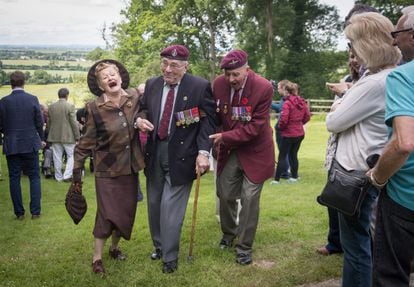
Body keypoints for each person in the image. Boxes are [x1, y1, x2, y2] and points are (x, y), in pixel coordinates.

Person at [325, 12, 401, 287]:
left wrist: (341, 100)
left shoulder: (371, 83)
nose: (352, 50)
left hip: (356, 174)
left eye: (352, 43)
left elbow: (333, 122)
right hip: (375, 168)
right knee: (368, 239)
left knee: (356, 248)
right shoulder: (394, 76)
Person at [135, 44, 217, 273]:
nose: (167, 69)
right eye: (164, 63)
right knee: (154, 204)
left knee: (171, 208)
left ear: (185, 66)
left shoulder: (199, 86)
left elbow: (208, 121)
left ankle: (170, 257)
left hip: (183, 156)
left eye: (173, 65)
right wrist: (139, 121)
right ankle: (159, 246)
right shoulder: (152, 84)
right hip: (155, 153)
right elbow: (142, 110)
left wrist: (203, 153)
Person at [72, 59, 145, 274]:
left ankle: (114, 248)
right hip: (106, 171)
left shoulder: (134, 97)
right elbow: (85, 143)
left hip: (130, 168)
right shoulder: (94, 108)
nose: (110, 78)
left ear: (121, 77)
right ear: (101, 86)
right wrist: (77, 172)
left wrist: (141, 118)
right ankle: (97, 259)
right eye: (105, 77)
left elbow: (145, 110)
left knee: (125, 212)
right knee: (106, 213)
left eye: (113, 74)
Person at [210, 49, 275, 265]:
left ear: (247, 69)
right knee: (225, 194)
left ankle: (244, 247)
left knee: (249, 198)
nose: (231, 79)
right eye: (227, 74)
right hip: (230, 150)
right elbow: (215, 115)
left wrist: (225, 136)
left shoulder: (264, 87)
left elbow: (256, 127)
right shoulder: (218, 84)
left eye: (236, 74)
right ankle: (229, 234)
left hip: (256, 150)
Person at [368, 6, 414, 286]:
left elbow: (404, 143)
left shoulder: (403, 76)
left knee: (390, 277)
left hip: (404, 199)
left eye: (396, 33)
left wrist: (377, 176)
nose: (393, 41)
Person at [317, 49, 361, 256]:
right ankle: (335, 242)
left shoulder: (373, 82)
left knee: (356, 205)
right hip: (337, 151)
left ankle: (354, 246)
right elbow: (334, 113)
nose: (353, 61)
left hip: (358, 153)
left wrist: (345, 95)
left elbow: (339, 116)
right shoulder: (346, 79)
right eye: (351, 56)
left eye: (357, 56)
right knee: (334, 199)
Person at [0, 71, 45, 220]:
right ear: (23, 82)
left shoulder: (3, 102)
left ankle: (19, 213)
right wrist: (42, 138)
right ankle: (35, 212)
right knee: (34, 177)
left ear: (10, 83)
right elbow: (39, 122)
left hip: (12, 143)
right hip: (30, 142)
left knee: (14, 178)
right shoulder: (32, 99)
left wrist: (7, 133)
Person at [272, 81, 310, 184]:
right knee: (294, 155)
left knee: (282, 156)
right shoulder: (302, 102)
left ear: (287, 91)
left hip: (288, 133)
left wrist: (282, 128)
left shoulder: (287, 103)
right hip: (299, 133)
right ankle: (294, 177)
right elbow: (307, 116)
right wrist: (299, 124)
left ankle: (276, 180)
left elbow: (283, 119)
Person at [47, 88, 80, 182]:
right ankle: (67, 175)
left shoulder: (51, 107)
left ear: (59, 95)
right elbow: (74, 123)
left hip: (54, 136)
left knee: (57, 156)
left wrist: (49, 133)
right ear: (67, 95)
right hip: (68, 136)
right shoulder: (70, 106)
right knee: (71, 156)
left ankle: (58, 177)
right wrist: (77, 136)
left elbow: (49, 122)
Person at [270, 79, 291, 183]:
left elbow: (279, 108)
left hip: (282, 128)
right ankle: (288, 170)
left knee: (283, 151)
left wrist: (268, 102)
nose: (278, 90)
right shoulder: (293, 98)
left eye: (278, 88)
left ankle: (285, 172)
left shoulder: (286, 99)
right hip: (290, 129)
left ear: (283, 88)